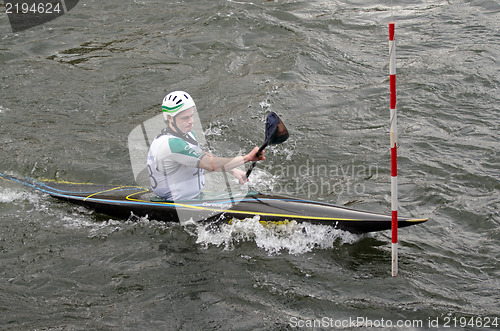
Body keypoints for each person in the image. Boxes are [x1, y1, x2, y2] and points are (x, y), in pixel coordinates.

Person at [146, 91, 265, 201]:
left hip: (192, 198)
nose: (191, 121)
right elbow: (209, 165)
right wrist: (247, 158)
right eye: (185, 118)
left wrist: (233, 170)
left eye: (192, 115)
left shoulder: (187, 134)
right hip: (175, 203)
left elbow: (200, 157)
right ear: (169, 118)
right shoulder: (172, 144)